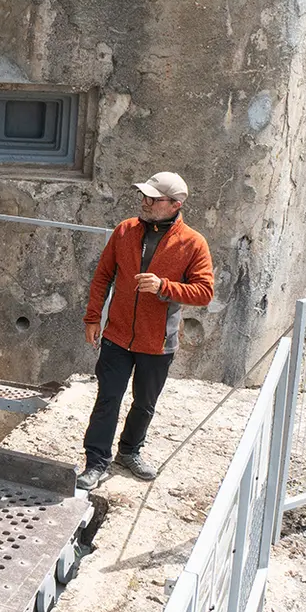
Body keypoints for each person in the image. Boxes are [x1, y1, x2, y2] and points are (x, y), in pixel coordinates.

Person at [77, 171, 215, 492]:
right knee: (108, 398)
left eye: (153, 199)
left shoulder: (194, 243)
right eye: (144, 196)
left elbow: (204, 292)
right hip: (117, 335)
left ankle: (129, 451)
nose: (145, 202)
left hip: (158, 342)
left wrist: (163, 287)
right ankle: (95, 461)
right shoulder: (125, 230)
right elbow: (102, 277)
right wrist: (92, 318)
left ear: (175, 204)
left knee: (144, 403)